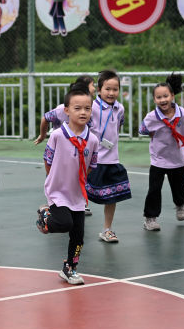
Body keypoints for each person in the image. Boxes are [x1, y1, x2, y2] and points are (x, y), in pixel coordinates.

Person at [37, 84, 99, 284]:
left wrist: (78, 179)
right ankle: (45, 216)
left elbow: (92, 165)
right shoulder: (57, 136)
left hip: (77, 194)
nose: (83, 112)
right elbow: (48, 161)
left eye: (87, 108)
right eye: (77, 108)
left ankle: (69, 268)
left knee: (78, 236)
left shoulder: (93, 140)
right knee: (64, 223)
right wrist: (55, 179)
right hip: (58, 191)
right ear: (66, 111)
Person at [84, 70, 131, 243]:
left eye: (115, 89)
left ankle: (107, 229)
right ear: (99, 89)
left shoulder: (120, 109)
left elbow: (117, 129)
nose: (111, 93)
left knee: (111, 196)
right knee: (79, 192)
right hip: (91, 160)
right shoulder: (91, 107)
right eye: (107, 89)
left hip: (112, 159)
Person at [139, 73, 184, 231]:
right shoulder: (152, 117)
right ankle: (150, 218)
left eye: (166, 96)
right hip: (158, 159)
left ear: (172, 95)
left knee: (178, 188)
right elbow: (142, 129)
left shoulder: (181, 113)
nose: (163, 100)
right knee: (154, 189)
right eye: (159, 97)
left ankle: (180, 205)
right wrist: (150, 132)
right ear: (154, 100)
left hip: (177, 158)